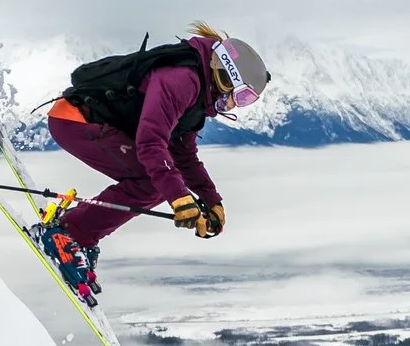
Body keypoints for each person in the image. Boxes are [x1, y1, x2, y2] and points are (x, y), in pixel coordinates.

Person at [31, 23, 271, 304]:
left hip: (87, 120)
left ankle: (77, 233)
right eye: (241, 96)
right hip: (76, 120)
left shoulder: (197, 95)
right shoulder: (182, 80)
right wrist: (179, 197)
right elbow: (151, 143)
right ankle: (68, 234)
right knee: (153, 183)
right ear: (225, 77)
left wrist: (211, 199)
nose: (235, 105)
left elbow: (183, 155)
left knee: (158, 182)